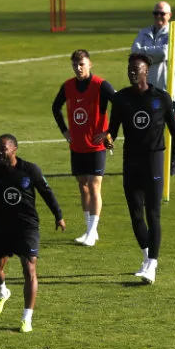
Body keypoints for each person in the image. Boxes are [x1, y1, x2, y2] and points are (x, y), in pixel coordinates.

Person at [102, 53, 175, 285]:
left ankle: (152, 264)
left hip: (154, 160)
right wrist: (108, 140)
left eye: (136, 69)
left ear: (146, 71)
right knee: (136, 214)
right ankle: (146, 258)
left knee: (153, 213)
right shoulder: (121, 99)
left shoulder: (161, 98)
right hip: (130, 161)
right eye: (129, 69)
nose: (131, 72)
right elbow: (113, 130)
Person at [0, 134, 65, 333]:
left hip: (27, 227)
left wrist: (58, 216)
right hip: (2, 227)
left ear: (15, 149)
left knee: (29, 268)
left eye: (3, 149)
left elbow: (46, 192)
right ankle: (2, 292)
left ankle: (26, 318)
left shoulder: (30, 170)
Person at [52, 49, 116, 247]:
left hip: (96, 146)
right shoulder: (68, 86)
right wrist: (64, 131)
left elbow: (120, 105)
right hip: (77, 145)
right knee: (83, 186)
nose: (78, 68)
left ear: (90, 64)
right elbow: (55, 107)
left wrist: (109, 132)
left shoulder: (101, 85)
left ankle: (92, 230)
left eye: (82, 64)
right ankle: (89, 230)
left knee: (94, 185)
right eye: (75, 65)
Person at [131, 1, 175, 175]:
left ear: (170, 15)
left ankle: (173, 163)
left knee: (173, 127)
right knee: (146, 126)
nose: (159, 16)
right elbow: (134, 52)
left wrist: (145, 53)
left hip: (167, 89)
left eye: (162, 14)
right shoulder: (143, 32)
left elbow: (165, 53)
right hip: (146, 89)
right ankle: (148, 161)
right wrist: (153, 52)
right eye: (156, 13)